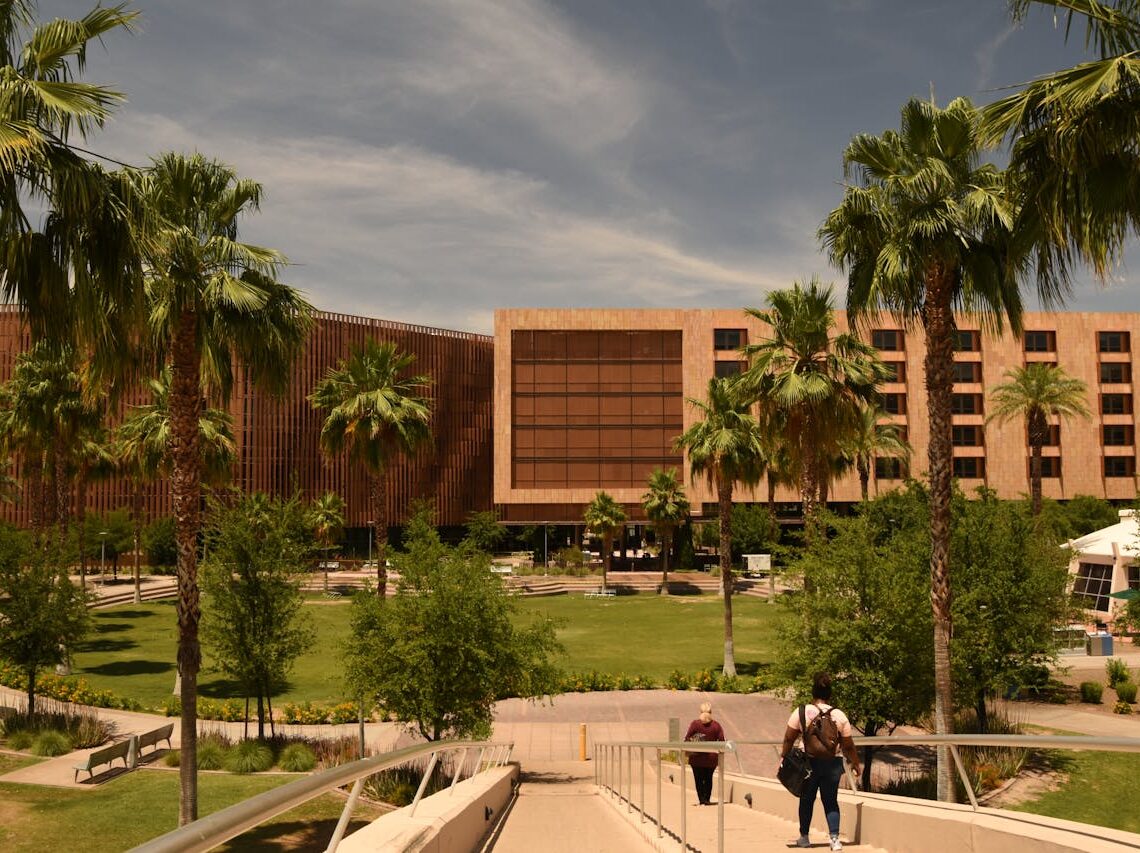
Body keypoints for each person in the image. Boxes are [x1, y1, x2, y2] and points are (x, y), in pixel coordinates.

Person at [779, 673, 861, 851]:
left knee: (806, 800)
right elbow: (848, 745)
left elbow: (788, 738)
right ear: (830, 693)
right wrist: (856, 763)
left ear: (813, 691)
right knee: (831, 801)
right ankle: (834, 839)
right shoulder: (839, 715)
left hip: (808, 763)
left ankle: (804, 837)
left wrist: (784, 756)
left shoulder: (802, 711)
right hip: (832, 763)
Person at [684, 701, 725, 806]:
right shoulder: (716, 725)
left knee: (698, 780)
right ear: (711, 712)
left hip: (696, 757)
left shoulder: (695, 724)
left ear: (700, 711)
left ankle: (702, 800)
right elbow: (722, 741)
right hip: (711, 758)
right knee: (708, 778)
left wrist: (697, 741)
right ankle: (707, 799)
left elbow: (687, 738)